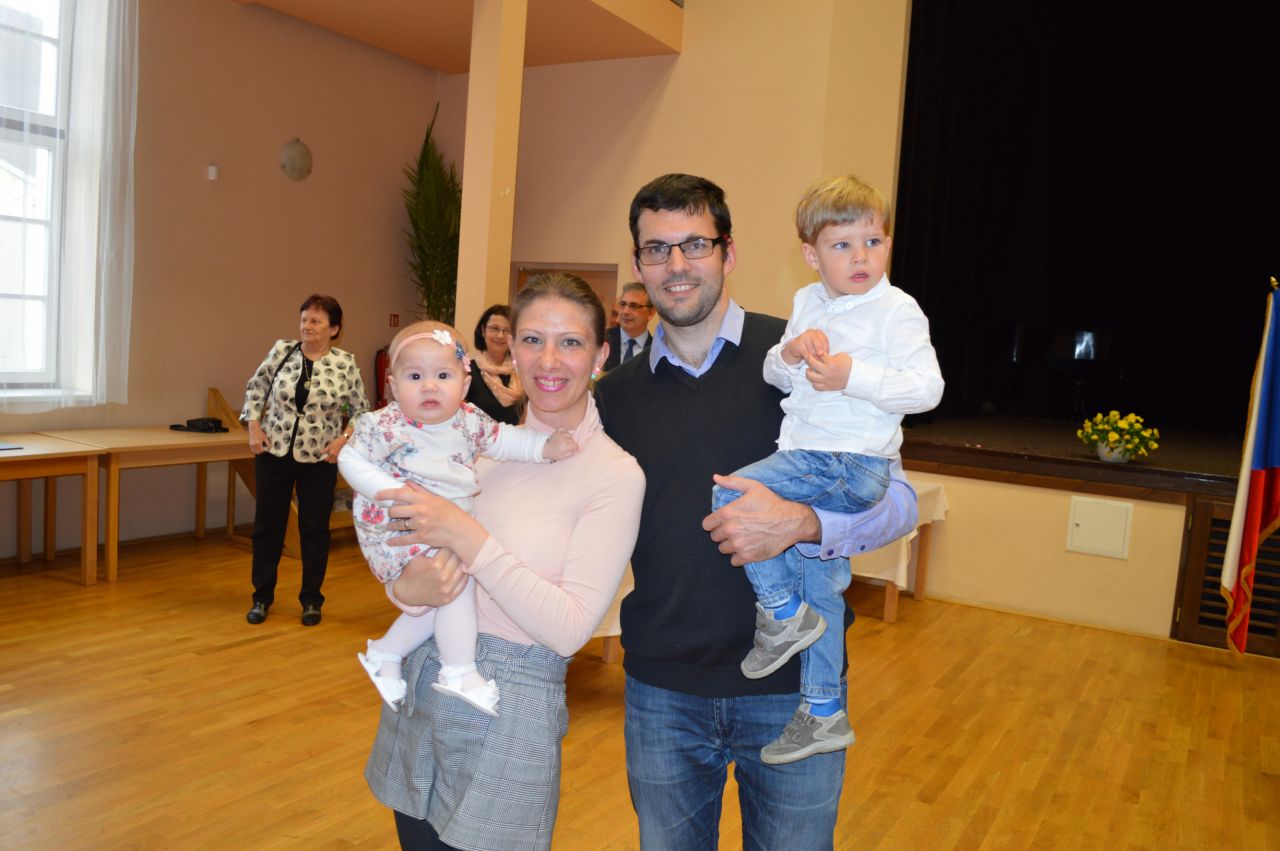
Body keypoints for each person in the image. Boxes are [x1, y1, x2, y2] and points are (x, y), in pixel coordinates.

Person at [593, 173, 920, 849]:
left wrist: (805, 523)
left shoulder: (803, 355)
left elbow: (898, 501)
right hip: (662, 694)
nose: (677, 265)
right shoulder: (612, 398)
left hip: (795, 695)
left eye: (695, 244)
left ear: (729, 253)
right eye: (657, 249)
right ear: (638, 265)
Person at [363, 273, 645, 850]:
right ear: (510, 350)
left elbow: (569, 629)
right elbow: (408, 556)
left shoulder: (615, 474)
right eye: (532, 340)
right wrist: (406, 589)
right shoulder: (474, 448)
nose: (549, 360)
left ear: (600, 356)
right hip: (421, 687)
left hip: (508, 713)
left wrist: (466, 535)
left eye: (570, 342)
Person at [710, 174, 943, 765]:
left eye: (873, 241)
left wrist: (852, 377)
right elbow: (774, 373)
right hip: (813, 453)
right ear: (812, 255)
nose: (861, 257)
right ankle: (823, 712)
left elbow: (928, 389)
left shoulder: (897, 310)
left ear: (887, 244)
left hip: (848, 461)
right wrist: (790, 353)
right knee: (824, 586)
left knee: (732, 495)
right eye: (843, 245)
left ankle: (780, 614)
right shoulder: (807, 302)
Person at [338, 320, 576, 716]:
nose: (429, 386)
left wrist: (544, 447)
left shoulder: (468, 421)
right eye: (415, 376)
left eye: (443, 376)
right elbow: (350, 458)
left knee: (444, 591)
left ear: (464, 385)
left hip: (441, 526)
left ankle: (386, 653)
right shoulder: (386, 424)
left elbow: (505, 439)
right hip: (399, 525)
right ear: (394, 386)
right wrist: (390, 492)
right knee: (455, 587)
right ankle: (459, 670)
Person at [240, 294, 368, 626]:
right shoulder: (282, 351)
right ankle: (261, 597)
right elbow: (256, 389)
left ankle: (311, 599)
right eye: (304, 319)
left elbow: (359, 410)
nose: (306, 326)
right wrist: (254, 426)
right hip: (274, 452)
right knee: (268, 528)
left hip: (319, 459)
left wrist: (343, 440)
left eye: (315, 321)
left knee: (314, 531)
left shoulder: (344, 363)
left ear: (334, 329)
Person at [464, 305, 522, 425]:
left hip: (518, 436)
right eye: (495, 329)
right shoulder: (467, 370)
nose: (500, 335)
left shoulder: (521, 371)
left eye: (507, 330)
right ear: (483, 330)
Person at [601, 282, 655, 372]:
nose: (625, 311)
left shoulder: (657, 350)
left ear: (651, 313)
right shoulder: (601, 340)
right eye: (623, 304)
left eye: (634, 306)